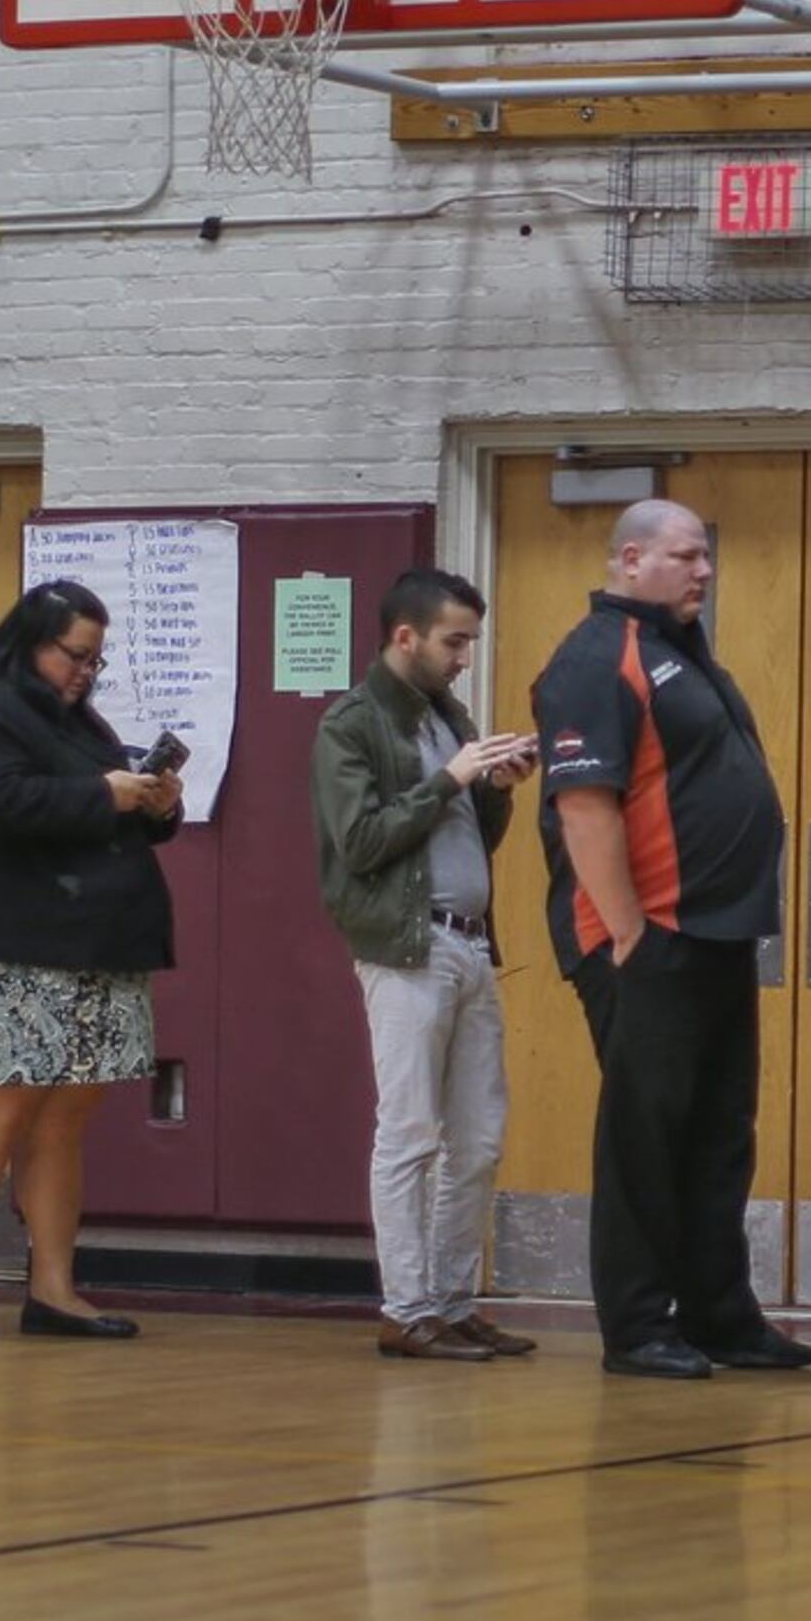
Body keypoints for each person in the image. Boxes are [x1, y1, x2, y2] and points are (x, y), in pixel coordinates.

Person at [533, 499, 811, 1382]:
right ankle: (637, 1325)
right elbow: (584, 805)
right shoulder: (595, 659)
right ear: (630, 559)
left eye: (706, 559)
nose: (703, 572)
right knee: (645, 1138)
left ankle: (720, 1315)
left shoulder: (678, 654)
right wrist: (627, 930)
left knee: (718, 1132)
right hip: (646, 937)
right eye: (686, 557)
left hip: (716, 933)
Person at [0, 581, 178, 1345]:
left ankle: (55, 1290)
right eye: (74, 655)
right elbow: (4, 803)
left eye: (96, 659)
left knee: (65, 1122)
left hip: (91, 945)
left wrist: (151, 802)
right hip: (13, 948)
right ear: (31, 643)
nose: (85, 672)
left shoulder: (77, 720)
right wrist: (106, 794)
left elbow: (93, 804)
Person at [310, 567, 537, 1364]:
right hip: (405, 945)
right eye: (453, 641)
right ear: (404, 637)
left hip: (469, 939)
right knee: (409, 1131)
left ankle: (450, 1299)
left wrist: (497, 790)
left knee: (477, 1137)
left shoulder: (448, 715)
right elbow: (363, 842)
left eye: (468, 640)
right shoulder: (353, 723)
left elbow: (465, 839)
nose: (464, 656)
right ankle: (406, 1309)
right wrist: (450, 780)